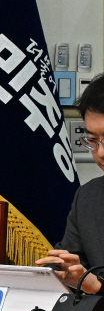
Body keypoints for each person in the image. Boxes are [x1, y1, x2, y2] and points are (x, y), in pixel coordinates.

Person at [39, 79, 104, 289]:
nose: (100, 152)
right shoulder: (88, 196)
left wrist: (98, 287)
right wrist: (54, 274)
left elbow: (95, 284)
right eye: (92, 140)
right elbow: (71, 259)